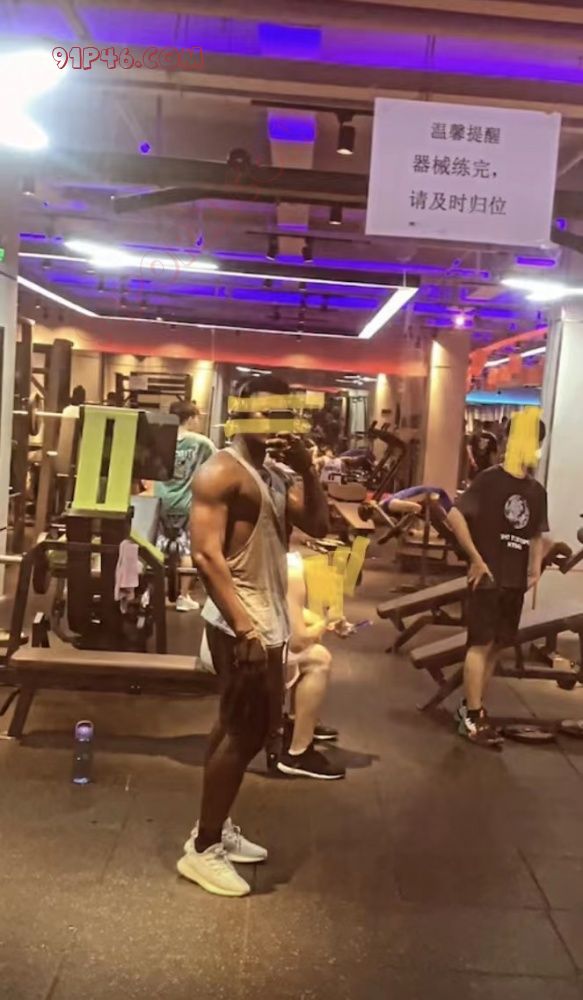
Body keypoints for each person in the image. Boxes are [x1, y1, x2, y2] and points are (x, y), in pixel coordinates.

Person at [177, 375, 329, 897]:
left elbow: (318, 525)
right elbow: (205, 555)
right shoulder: (222, 471)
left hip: (269, 616)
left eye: (280, 412)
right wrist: (244, 627)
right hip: (242, 620)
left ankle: (212, 827)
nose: (272, 422)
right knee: (247, 731)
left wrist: (309, 469)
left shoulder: (274, 474)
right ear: (240, 413)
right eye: (262, 411)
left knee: (234, 725)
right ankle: (203, 851)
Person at [455, 417, 549, 747]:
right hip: (489, 577)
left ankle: (472, 707)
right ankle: (472, 715)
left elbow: (535, 533)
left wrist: (535, 568)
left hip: (514, 581)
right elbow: (455, 515)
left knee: (497, 646)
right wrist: (475, 558)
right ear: (508, 440)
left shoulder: (537, 491)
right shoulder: (489, 480)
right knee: (480, 644)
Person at [276, 548, 344, 780]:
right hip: (237, 651)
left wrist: (325, 622)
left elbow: (288, 607)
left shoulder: (273, 553)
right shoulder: (290, 568)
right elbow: (298, 641)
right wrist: (325, 623)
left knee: (310, 648)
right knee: (318, 658)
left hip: (221, 639)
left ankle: (298, 724)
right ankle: (298, 753)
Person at [154, 400, 216, 612]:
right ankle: (183, 597)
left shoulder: (160, 439)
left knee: (157, 548)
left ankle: (150, 594)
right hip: (188, 503)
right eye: (197, 417)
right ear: (190, 418)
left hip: (161, 501)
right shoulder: (202, 443)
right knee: (187, 549)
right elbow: (218, 466)